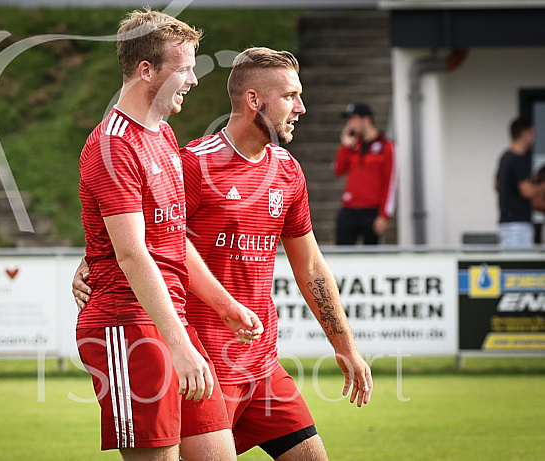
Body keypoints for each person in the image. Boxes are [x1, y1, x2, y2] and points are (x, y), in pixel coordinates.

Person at [75, 47, 372, 460]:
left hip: (262, 362)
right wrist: (89, 261)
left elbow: (311, 267)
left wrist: (344, 345)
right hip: (204, 363)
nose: (301, 107)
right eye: (290, 96)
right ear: (253, 100)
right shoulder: (194, 165)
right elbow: (140, 227)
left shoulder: (288, 171)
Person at [76, 10, 263, 461]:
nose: (194, 79)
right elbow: (134, 254)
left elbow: (173, 239)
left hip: (170, 324)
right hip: (128, 326)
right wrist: (179, 344)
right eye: (184, 68)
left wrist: (223, 304)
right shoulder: (112, 145)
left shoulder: (161, 135)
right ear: (147, 71)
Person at [333, 103, 396, 245]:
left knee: (372, 258)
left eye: (353, 119)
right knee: (342, 255)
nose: (349, 124)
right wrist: (345, 147)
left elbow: (390, 183)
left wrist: (384, 216)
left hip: (372, 211)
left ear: (366, 120)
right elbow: (338, 170)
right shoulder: (352, 145)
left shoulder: (386, 146)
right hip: (349, 209)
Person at [494, 117, 544, 247]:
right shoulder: (517, 158)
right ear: (525, 133)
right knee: (520, 264)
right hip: (517, 225)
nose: (533, 139)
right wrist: (542, 186)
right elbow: (526, 191)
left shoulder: (505, 157)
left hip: (509, 224)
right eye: (532, 133)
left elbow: (496, 185)